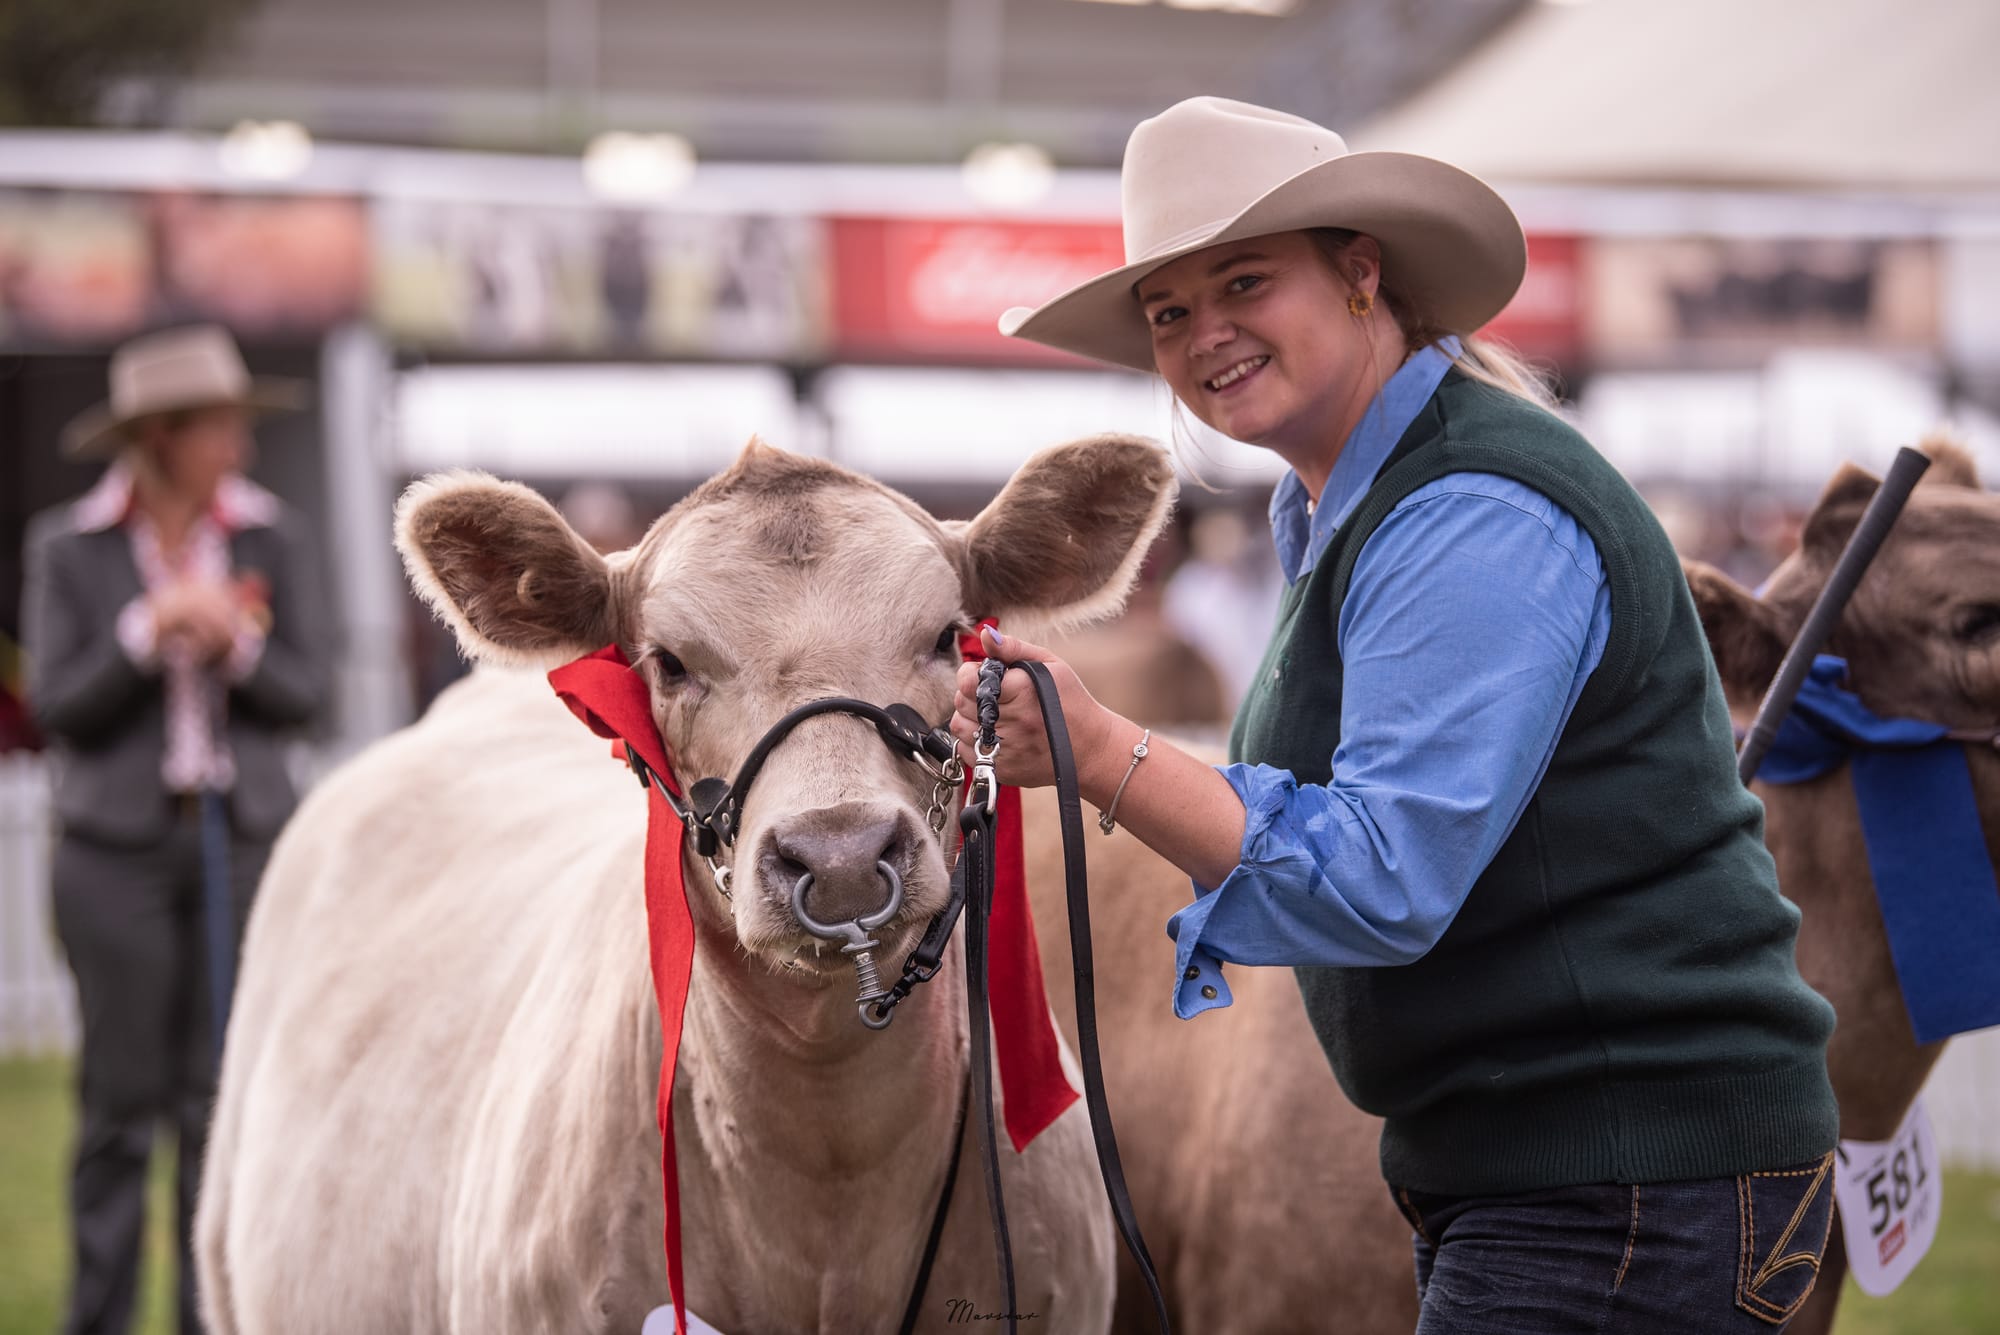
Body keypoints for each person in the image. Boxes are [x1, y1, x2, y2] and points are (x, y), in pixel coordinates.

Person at [951, 97, 1839, 1333]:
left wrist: (1100, 751)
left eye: (1244, 282)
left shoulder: (1467, 507)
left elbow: (1379, 876)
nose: (1205, 335)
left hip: (1623, 1183)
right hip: (1582, 1172)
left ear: (1359, 274)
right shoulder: (1371, 503)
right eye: (1168, 313)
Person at [22, 324, 333, 1335]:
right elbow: (59, 707)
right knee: (119, 1109)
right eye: (218, 428)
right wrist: (146, 634)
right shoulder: (69, 548)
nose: (237, 448)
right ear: (159, 436)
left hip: (239, 845)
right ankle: (99, 1320)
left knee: (219, 1104)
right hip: (113, 854)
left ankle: (212, 1319)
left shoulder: (269, 535)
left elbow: (306, 692)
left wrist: (231, 646)